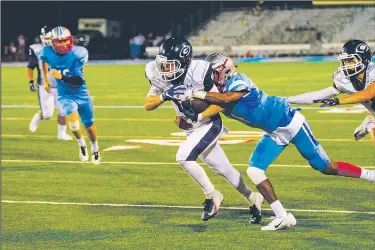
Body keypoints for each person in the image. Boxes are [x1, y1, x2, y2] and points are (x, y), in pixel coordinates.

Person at [175, 53, 375, 230]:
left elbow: (227, 99)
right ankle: (282, 216)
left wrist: (196, 94)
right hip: (274, 132)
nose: (210, 77)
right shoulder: (217, 92)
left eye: (213, 73)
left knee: (326, 167)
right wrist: (186, 111)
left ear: (224, 71)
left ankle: (370, 176)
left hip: (290, 123)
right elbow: (211, 105)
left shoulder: (238, 81)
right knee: (254, 170)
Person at [144, 38, 264, 222]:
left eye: (170, 66)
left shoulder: (200, 72)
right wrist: (163, 96)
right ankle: (253, 197)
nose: (164, 70)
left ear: (184, 63)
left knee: (183, 157)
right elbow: (148, 104)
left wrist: (196, 117)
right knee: (223, 168)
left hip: (209, 123)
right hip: (191, 127)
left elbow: (220, 103)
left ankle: (213, 195)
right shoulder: (157, 74)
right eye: (163, 65)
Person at [288, 40, 374, 146]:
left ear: (364, 59)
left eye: (351, 60)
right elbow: (317, 96)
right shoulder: (344, 80)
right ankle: (371, 124)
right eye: (345, 61)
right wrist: (287, 100)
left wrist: (337, 101)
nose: (347, 65)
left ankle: (370, 123)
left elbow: (368, 94)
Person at [40, 26, 100, 164]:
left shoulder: (78, 53)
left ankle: (95, 148)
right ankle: (82, 145)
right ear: (52, 43)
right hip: (65, 95)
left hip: (81, 94)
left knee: (89, 126)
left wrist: (59, 76)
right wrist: (46, 80)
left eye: (64, 41)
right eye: (58, 42)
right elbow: (43, 59)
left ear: (70, 40)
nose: (62, 45)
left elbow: (78, 81)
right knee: (73, 124)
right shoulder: (47, 52)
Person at [28, 26, 72, 141]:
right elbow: (30, 67)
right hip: (44, 85)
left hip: (60, 85)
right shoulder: (38, 50)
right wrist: (31, 81)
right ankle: (38, 117)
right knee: (47, 114)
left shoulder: (63, 49)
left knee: (63, 111)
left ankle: (61, 134)